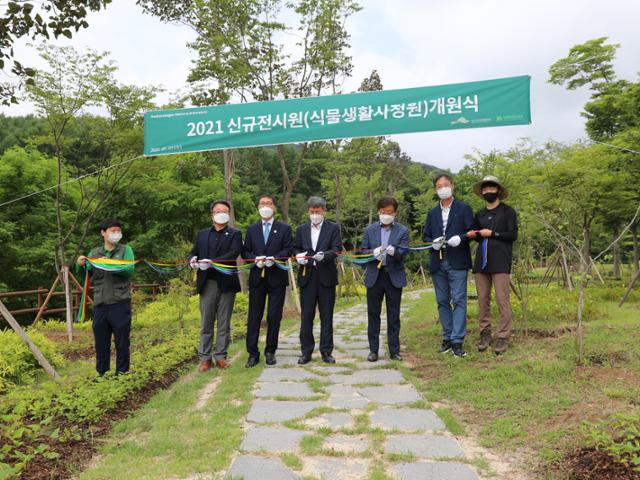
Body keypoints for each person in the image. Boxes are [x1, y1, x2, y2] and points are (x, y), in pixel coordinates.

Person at [422, 173, 474, 357]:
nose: (442, 188)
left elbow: (471, 231)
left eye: (445, 184)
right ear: (435, 190)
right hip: (438, 261)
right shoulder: (432, 213)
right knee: (442, 301)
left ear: (452, 186)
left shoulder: (463, 208)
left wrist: (460, 238)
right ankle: (447, 337)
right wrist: (433, 242)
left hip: (457, 260)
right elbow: (425, 237)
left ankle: (457, 340)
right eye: (438, 186)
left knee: (459, 300)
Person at [467, 175, 518, 355]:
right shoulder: (479, 214)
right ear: (482, 192)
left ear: (498, 191)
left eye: (492, 188)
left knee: (502, 299)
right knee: (482, 299)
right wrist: (473, 234)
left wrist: (493, 233)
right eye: (485, 189)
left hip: (501, 261)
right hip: (481, 261)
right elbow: (477, 235)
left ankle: (503, 336)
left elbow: (512, 235)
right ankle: (485, 333)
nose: (488, 191)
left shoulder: (508, 212)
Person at [189, 200, 242, 372]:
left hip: (227, 283)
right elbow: (194, 251)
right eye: (218, 210)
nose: (221, 213)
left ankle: (221, 356)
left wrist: (213, 262)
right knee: (206, 322)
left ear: (229, 214)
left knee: (224, 322)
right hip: (207, 283)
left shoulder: (235, 234)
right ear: (212, 214)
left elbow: (233, 253)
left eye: (225, 210)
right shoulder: (203, 234)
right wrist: (193, 259)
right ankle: (205, 358)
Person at [76, 218, 135, 376]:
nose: (116, 233)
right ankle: (102, 374)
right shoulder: (94, 253)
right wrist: (80, 264)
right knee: (101, 343)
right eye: (112, 230)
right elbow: (87, 273)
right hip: (100, 305)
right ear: (103, 233)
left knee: (122, 342)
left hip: (120, 303)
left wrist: (109, 263)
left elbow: (129, 270)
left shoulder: (125, 250)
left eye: (118, 230)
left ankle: (122, 374)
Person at [242, 195, 294, 367]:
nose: (265, 206)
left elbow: (289, 249)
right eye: (262, 203)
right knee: (254, 316)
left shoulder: (284, 229)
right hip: (257, 278)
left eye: (269, 203)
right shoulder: (252, 229)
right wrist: (254, 258)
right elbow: (245, 252)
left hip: (277, 278)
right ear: (258, 207)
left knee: (274, 316)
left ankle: (270, 351)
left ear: (274, 207)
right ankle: (252, 353)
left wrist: (276, 258)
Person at [294, 196, 343, 365]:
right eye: (312, 212)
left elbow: (337, 248)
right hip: (307, 276)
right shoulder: (301, 229)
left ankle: (326, 351)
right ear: (308, 211)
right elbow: (296, 248)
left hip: (326, 276)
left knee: (326, 316)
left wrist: (326, 256)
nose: (315, 214)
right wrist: (298, 256)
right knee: (306, 316)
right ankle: (306, 351)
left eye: (318, 212)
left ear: (324, 211)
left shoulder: (333, 228)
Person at [361, 197, 409, 362]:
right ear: (378, 212)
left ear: (394, 213)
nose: (386, 215)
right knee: (373, 314)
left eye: (389, 212)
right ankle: (373, 350)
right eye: (383, 212)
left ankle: (394, 350)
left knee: (393, 315)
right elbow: (362, 251)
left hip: (393, 276)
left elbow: (403, 253)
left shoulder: (402, 231)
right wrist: (372, 253)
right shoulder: (370, 230)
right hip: (374, 276)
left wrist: (393, 252)